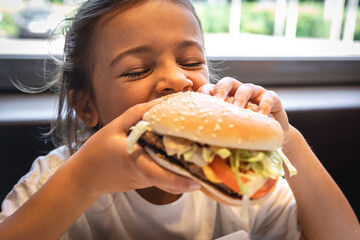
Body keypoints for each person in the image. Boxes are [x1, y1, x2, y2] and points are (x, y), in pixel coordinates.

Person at [0, 0, 359, 239]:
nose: (177, 79)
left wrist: (285, 138)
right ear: (86, 105)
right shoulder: (55, 178)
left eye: (190, 62)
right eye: (137, 70)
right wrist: (83, 180)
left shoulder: (237, 174)